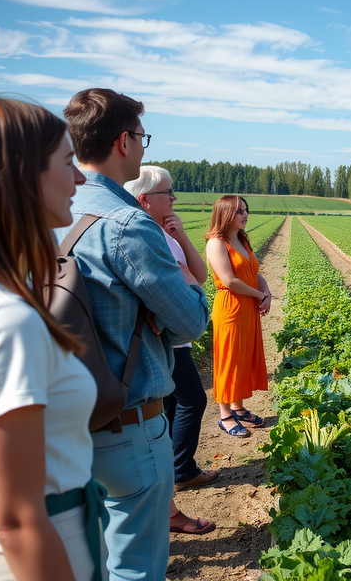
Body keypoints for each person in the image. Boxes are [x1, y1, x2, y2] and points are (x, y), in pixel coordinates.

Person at [0, 98, 103, 580]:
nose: (79, 179)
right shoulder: (3, 321)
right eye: (67, 162)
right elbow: (16, 516)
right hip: (30, 553)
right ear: (16, 179)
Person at [56, 89, 210, 580]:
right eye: (142, 137)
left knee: (86, 560)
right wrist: (188, 288)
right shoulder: (126, 224)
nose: (143, 146)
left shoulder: (51, 213)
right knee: (135, 567)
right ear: (124, 141)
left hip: (58, 419)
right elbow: (189, 321)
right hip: (126, 423)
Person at [125, 165, 217, 536]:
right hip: (167, 338)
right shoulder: (143, 236)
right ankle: (181, 473)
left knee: (173, 407)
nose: (175, 199)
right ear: (146, 199)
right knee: (187, 402)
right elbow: (183, 294)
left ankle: (178, 478)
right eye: (168, 193)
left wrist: (181, 236)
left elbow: (199, 276)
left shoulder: (166, 234)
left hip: (175, 335)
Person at [204, 196, 271, 438]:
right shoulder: (216, 243)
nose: (245, 214)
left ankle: (238, 407)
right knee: (229, 359)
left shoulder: (242, 239)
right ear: (224, 214)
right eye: (239, 211)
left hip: (247, 306)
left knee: (243, 358)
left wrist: (267, 292)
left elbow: (254, 270)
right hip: (231, 307)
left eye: (246, 210)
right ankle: (225, 415)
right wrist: (258, 295)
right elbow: (230, 281)